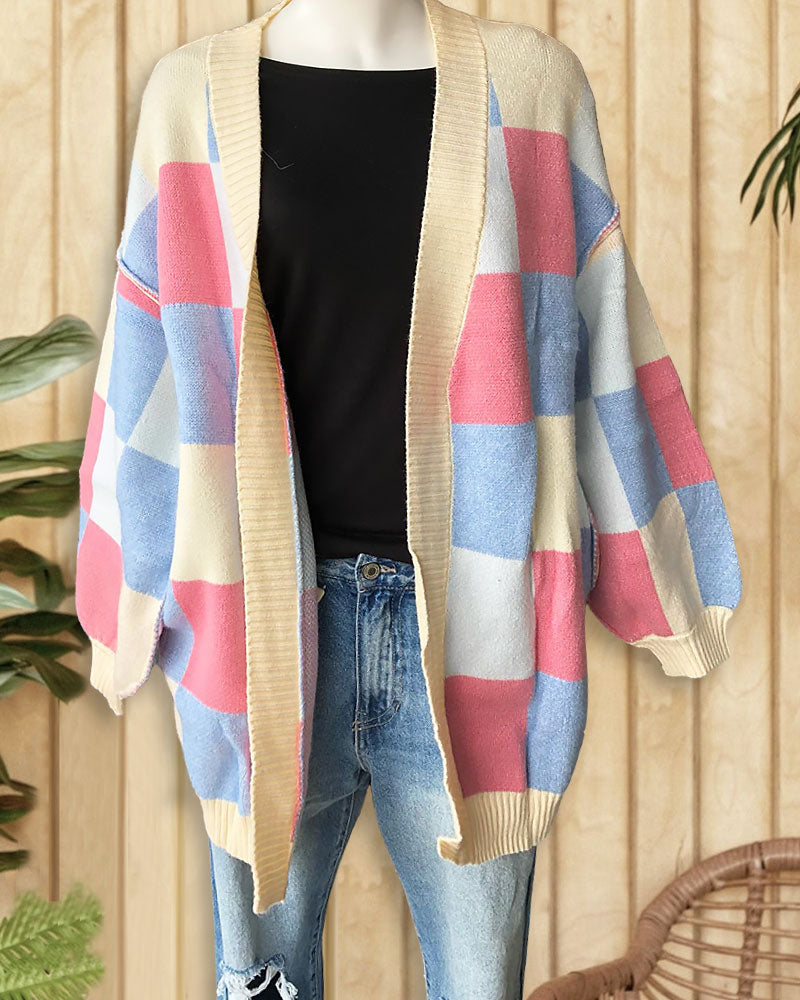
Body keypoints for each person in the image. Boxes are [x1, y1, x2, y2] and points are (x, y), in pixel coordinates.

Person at [74, 0, 743, 997]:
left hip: (479, 634)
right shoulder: (189, 96)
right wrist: (119, 606)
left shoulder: (533, 88)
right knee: (263, 984)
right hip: (260, 639)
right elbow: (148, 370)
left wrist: (671, 591)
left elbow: (597, 339)